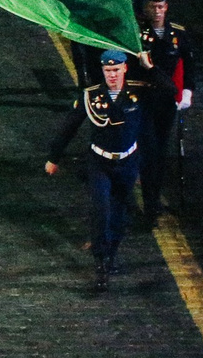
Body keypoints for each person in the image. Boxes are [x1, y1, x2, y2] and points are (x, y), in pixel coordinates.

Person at [46, 48, 149, 292]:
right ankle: (101, 264)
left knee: (119, 215)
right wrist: (54, 157)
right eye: (107, 71)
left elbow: (169, 92)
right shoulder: (91, 96)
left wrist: (149, 67)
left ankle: (111, 255)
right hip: (99, 162)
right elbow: (69, 126)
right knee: (100, 211)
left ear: (125, 68)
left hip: (127, 162)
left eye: (115, 70)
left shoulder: (137, 91)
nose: (111, 75)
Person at [137, 0, 194, 225]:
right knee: (149, 151)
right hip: (143, 100)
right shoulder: (137, 32)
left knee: (160, 154)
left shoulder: (177, 34)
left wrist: (188, 92)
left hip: (166, 102)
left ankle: (153, 200)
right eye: (153, 7)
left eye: (161, 7)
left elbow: (189, 64)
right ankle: (150, 206)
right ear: (146, 8)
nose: (158, 11)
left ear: (167, 7)